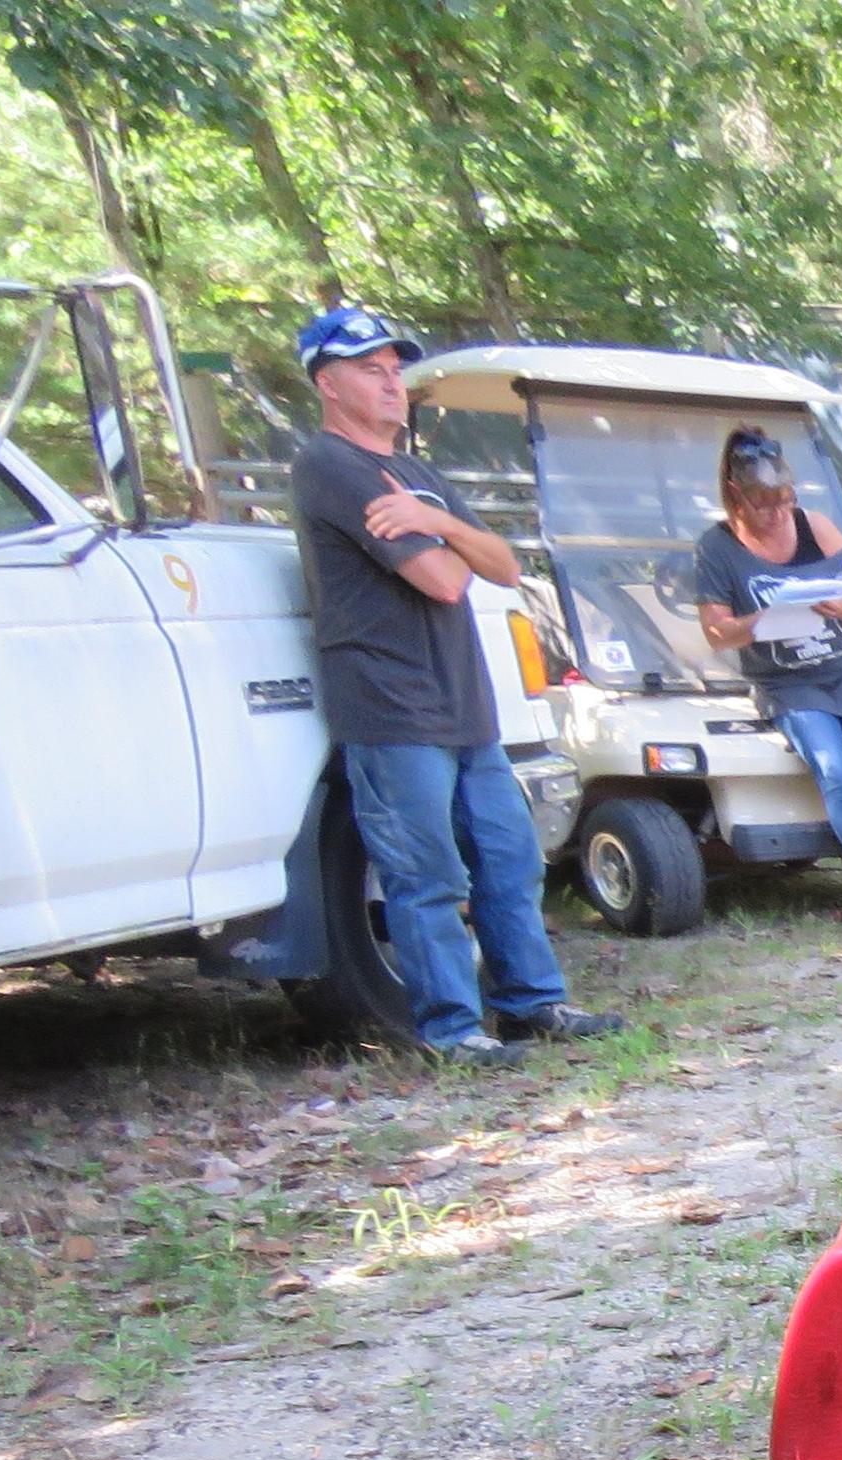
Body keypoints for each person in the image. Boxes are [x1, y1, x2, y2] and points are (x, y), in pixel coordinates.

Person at [289, 304, 621, 1064]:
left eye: (393, 370)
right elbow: (444, 581)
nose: (390, 385)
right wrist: (448, 536)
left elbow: (502, 567)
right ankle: (451, 1030)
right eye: (369, 372)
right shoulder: (330, 467)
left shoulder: (416, 476)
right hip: (391, 706)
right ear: (328, 384)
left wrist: (434, 519)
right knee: (426, 873)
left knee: (511, 858)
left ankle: (531, 1006)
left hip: (465, 705)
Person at [690, 427, 842, 937]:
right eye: (765, 503)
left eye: (785, 500)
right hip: (788, 683)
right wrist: (758, 618)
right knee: (836, 771)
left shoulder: (816, 526)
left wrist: (833, 605)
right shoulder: (716, 548)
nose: (779, 512)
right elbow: (716, 633)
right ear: (736, 494)